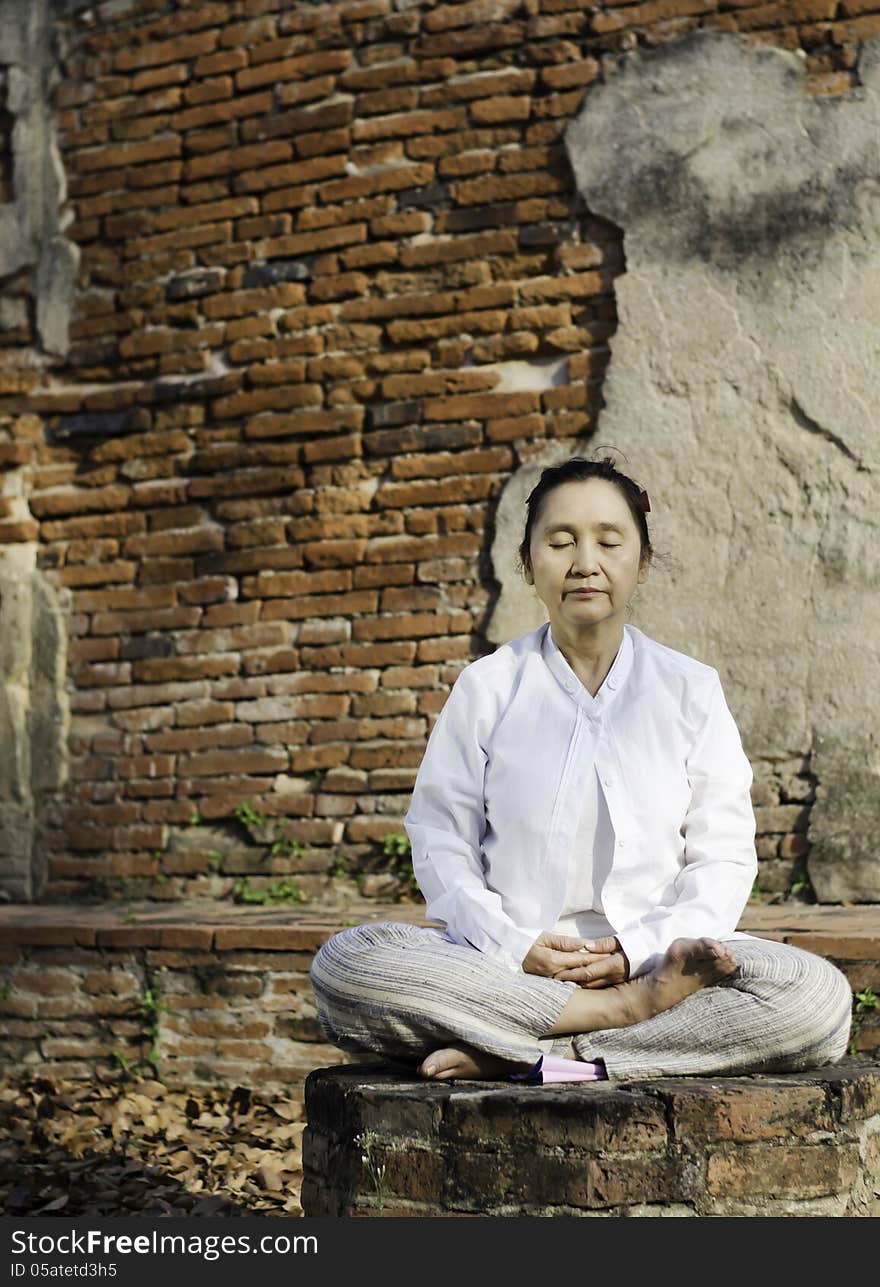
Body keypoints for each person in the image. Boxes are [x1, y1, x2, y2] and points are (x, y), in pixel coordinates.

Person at [310, 456, 852, 1085]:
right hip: (505, 966)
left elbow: (724, 858)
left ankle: (535, 1055)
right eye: (561, 541)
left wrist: (638, 955)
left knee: (816, 998)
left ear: (640, 563)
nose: (584, 561)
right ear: (528, 561)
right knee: (348, 963)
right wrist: (516, 946)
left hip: (657, 964)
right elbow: (440, 840)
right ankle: (614, 1023)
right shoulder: (488, 688)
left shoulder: (690, 690)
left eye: (609, 541)